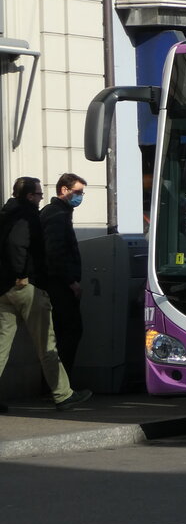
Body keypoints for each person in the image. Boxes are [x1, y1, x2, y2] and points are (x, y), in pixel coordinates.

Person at [0, 177, 91, 413]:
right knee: (47, 344)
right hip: (25, 287)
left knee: (2, 346)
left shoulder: (5, 214)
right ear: (29, 196)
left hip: (4, 290)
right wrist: (22, 275)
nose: (41, 198)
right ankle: (63, 395)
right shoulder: (27, 216)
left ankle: (62, 393)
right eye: (38, 194)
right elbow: (18, 246)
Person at [40, 173, 87, 374]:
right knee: (70, 331)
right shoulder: (57, 215)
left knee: (62, 333)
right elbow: (55, 252)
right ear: (64, 190)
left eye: (82, 193)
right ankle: (60, 384)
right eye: (77, 192)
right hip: (59, 285)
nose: (81, 196)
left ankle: (57, 384)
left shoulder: (58, 212)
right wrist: (71, 282)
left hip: (56, 283)